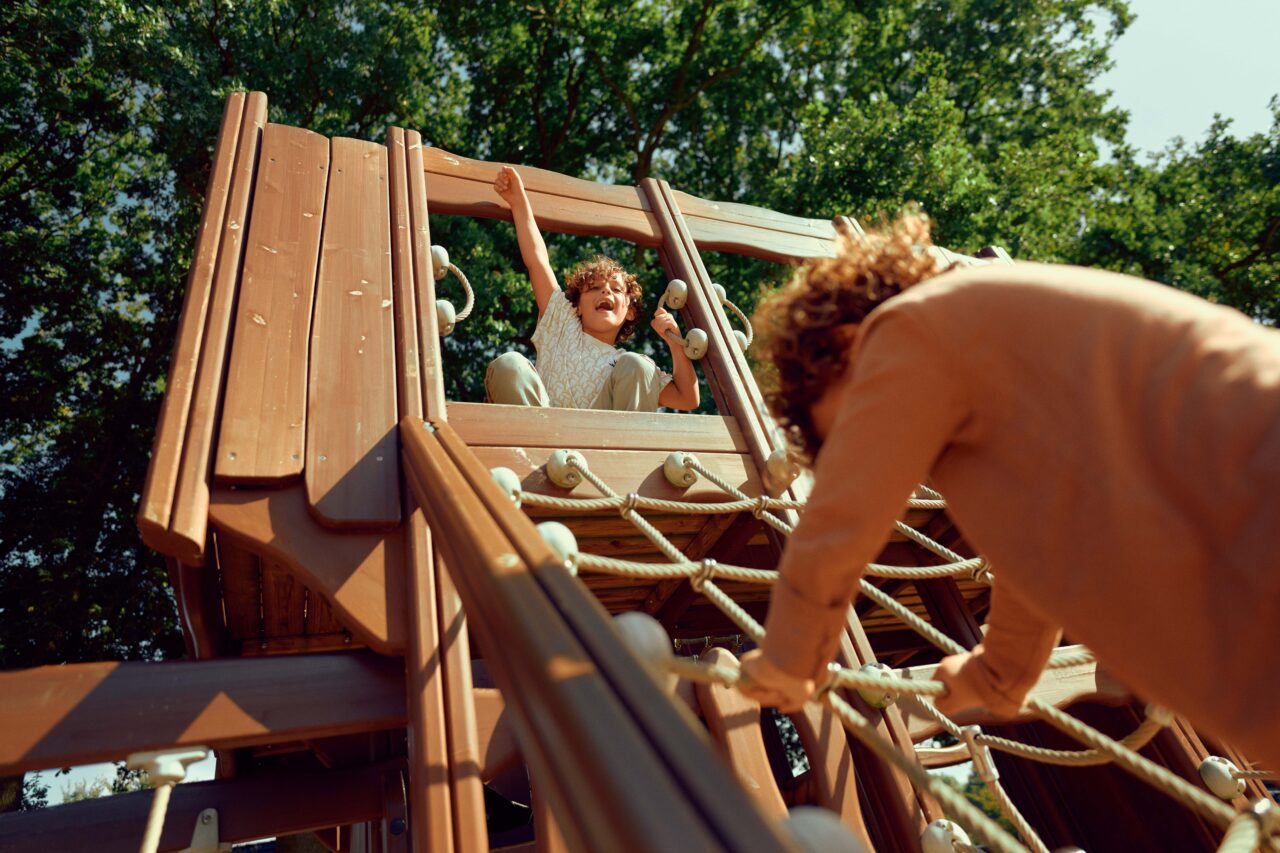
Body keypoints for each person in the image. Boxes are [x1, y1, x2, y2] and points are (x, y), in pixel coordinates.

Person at [738, 215, 1280, 772]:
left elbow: (839, 522)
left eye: (852, 426)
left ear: (839, 344)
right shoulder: (1000, 356)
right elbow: (1042, 553)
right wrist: (997, 675)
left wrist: (791, 654)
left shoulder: (907, 330)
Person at [485, 165, 699, 412]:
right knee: (510, 363)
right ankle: (526, 444)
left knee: (639, 364)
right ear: (576, 306)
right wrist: (519, 202)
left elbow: (687, 399)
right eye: (594, 288)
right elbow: (537, 260)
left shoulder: (624, 365)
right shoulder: (562, 323)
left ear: (629, 311)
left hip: (602, 441)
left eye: (616, 290)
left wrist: (674, 344)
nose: (606, 292)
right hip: (543, 429)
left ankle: (621, 446)